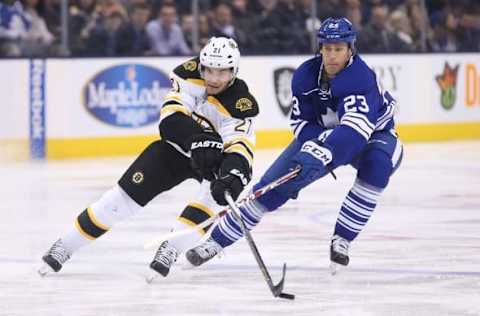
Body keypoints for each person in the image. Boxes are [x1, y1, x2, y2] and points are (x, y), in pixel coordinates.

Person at [185, 17, 404, 274]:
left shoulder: (360, 78)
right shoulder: (305, 76)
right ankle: (214, 242)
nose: (332, 56)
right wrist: (317, 144)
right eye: (327, 48)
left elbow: (355, 133)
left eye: (339, 49)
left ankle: (342, 239)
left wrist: (324, 151)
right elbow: (300, 123)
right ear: (320, 48)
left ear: (350, 49)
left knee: (376, 167)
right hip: (325, 136)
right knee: (268, 190)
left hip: (374, 135)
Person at [38, 37, 259, 278]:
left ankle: (170, 249)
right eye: (209, 70)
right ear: (201, 66)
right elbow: (170, 120)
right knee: (117, 202)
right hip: (174, 151)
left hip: (212, 161)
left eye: (222, 72)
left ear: (234, 71)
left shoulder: (240, 103)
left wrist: (233, 173)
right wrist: (198, 138)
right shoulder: (187, 75)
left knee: (213, 201)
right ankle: (64, 246)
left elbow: (240, 144)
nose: (214, 78)